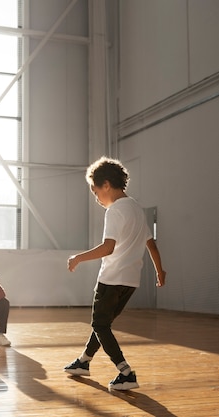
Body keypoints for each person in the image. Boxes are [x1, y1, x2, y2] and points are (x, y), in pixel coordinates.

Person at [64, 156, 165, 390]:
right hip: (131, 281)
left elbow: (108, 247)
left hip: (111, 279)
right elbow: (151, 244)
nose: (97, 199)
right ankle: (83, 362)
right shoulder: (137, 209)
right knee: (102, 323)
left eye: (96, 192)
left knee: (100, 325)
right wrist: (160, 270)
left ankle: (126, 373)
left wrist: (79, 257)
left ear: (106, 185)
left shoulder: (115, 211)